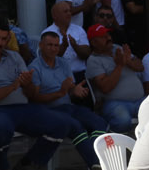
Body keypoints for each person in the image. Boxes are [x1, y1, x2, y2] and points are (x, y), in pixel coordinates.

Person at [0, 18, 84, 170]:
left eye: (3, 39)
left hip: (22, 107)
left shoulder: (14, 56)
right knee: (0, 126)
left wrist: (28, 84)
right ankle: (4, 169)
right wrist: (14, 86)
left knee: (62, 123)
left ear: (8, 40)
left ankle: (29, 165)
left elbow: (29, 93)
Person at [24, 30, 107, 162]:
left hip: (68, 107)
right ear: (41, 45)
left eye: (56, 45)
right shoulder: (34, 68)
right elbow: (35, 98)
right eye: (49, 45)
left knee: (99, 122)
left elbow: (69, 89)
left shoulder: (63, 63)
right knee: (76, 126)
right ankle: (97, 164)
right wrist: (60, 93)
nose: (53, 49)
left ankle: (96, 160)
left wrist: (74, 90)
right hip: (49, 110)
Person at [86, 23, 145, 133]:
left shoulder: (117, 48)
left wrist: (128, 61)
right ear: (93, 42)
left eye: (108, 35)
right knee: (123, 121)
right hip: (115, 103)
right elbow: (105, 88)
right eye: (103, 36)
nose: (108, 38)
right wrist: (119, 66)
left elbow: (140, 67)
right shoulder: (93, 60)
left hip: (139, 100)